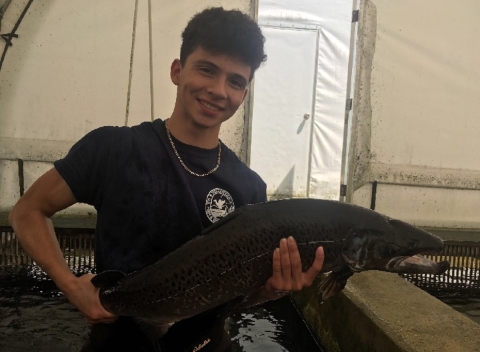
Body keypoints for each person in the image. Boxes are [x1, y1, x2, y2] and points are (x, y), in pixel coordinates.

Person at [9, 7, 324, 352]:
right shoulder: (114, 149)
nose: (219, 90)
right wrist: (70, 285)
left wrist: (273, 289)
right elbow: (28, 211)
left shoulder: (248, 187)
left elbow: (234, 296)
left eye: (235, 81)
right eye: (207, 70)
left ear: (244, 94)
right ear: (177, 71)